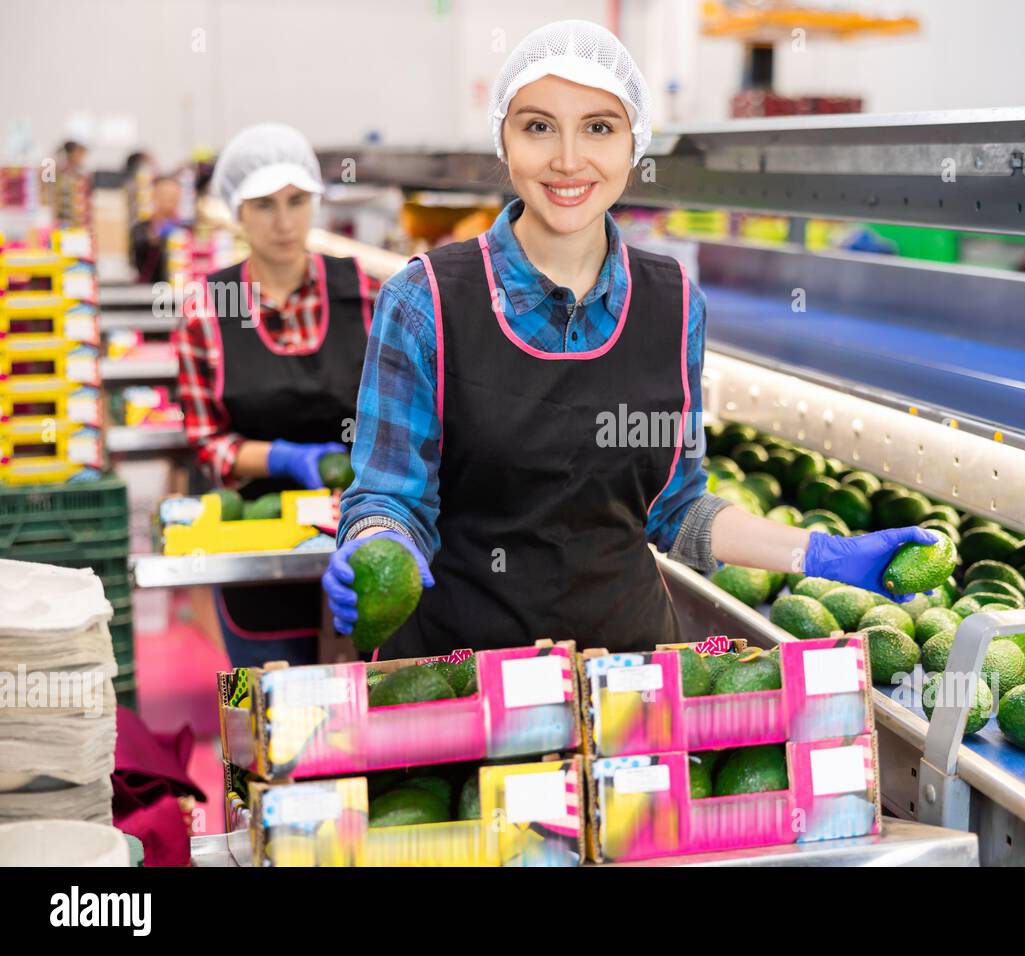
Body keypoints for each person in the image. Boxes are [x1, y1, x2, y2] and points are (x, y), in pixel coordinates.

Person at [325, 20, 936, 658]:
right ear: (502, 141)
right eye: (538, 126)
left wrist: (818, 552)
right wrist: (377, 544)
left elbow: (674, 506)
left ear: (633, 145)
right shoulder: (426, 300)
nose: (568, 158)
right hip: (463, 675)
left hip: (628, 678)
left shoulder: (673, 303)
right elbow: (390, 496)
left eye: (599, 127)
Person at [177, 123, 378, 668]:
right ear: (235, 211)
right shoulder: (207, 308)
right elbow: (206, 442)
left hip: (359, 526)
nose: (285, 222)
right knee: (256, 707)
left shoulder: (364, 291)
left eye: (296, 201)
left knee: (361, 717)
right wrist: (289, 457)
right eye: (264, 205)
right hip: (256, 541)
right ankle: (243, 758)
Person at [129, 174, 181, 285]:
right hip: (150, 292)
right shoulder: (141, 229)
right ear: (154, 196)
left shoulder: (185, 229)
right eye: (165, 194)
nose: (169, 199)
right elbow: (136, 257)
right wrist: (153, 240)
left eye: (174, 195)